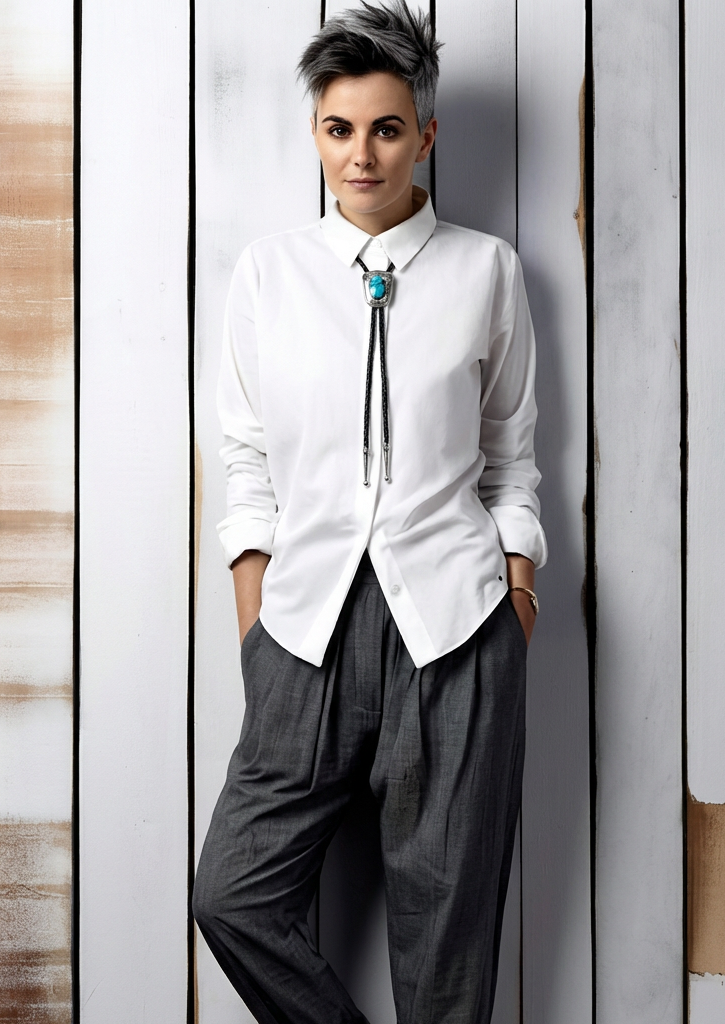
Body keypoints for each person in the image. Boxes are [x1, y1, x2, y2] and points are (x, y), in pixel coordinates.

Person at [192, 3, 546, 1021]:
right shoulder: (269, 274)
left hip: (457, 635)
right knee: (233, 896)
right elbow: (246, 460)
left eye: (386, 129)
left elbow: (510, 456)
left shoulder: (486, 270)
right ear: (315, 132)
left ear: (424, 136)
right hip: (302, 635)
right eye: (339, 129)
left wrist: (516, 601)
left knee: (447, 957)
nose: (361, 155)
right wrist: (255, 621)